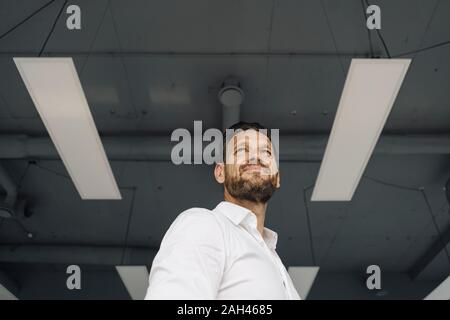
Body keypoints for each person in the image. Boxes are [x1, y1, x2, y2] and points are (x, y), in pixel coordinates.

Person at [145, 122, 301, 300]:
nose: (256, 157)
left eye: (266, 152)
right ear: (221, 172)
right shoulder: (203, 224)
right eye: (242, 150)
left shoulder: (276, 263)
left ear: (278, 178)